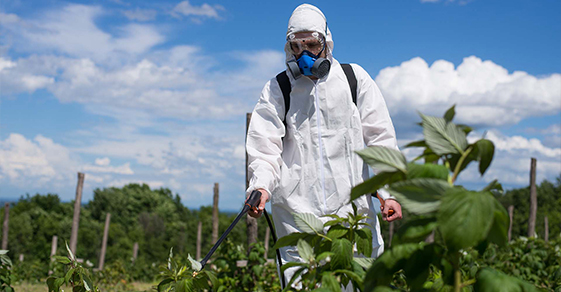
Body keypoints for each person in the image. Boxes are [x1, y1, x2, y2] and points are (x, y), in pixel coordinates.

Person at [245, 3, 403, 287]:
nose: (304, 53)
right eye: (297, 45)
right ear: (289, 48)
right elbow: (264, 149)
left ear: (326, 43)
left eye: (312, 44)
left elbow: (380, 139)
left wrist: (387, 192)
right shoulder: (278, 89)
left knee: (361, 283)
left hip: (353, 216)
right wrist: (261, 186)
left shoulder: (355, 80)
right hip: (297, 217)